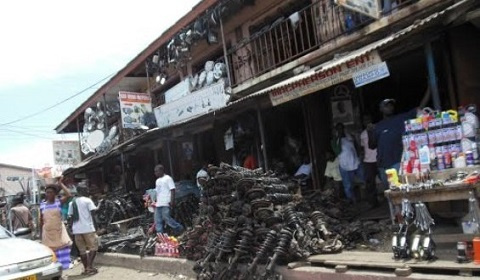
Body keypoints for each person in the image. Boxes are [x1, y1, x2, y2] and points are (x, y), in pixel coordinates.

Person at [368, 86, 430, 189]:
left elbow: (420, 108)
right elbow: (371, 146)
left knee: (401, 190)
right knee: (389, 192)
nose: (389, 107)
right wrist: (370, 132)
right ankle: (392, 206)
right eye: (386, 105)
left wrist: (429, 88)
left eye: (391, 105)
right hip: (383, 165)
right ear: (381, 109)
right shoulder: (377, 126)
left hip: (398, 162)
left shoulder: (401, 118)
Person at [40, 183, 72, 270]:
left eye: (51, 192)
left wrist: (61, 183)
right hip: (47, 233)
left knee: (63, 250)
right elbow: (41, 220)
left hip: (59, 231)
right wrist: (40, 234)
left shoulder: (59, 202)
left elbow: (69, 194)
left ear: (55, 194)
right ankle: (55, 271)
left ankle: (63, 268)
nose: (49, 194)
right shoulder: (42, 204)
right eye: (47, 192)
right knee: (51, 252)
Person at [68, 184, 99, 276]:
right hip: (88, 228)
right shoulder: (87, 200)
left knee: (82, 251)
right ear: (81, 191)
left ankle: (86, 269)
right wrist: (96, 227)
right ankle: (89, 267)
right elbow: (93, 213)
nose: (87, 191)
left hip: (77, 230)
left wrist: (71, 229)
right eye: (86, 189)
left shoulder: (71, 203)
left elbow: (70, 217)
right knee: (94, 247)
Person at [332, 123, 364, 203]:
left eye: (341, 128)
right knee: (348, 185)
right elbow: (337, 151)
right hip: (344, 165)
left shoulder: (349, 137)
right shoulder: (334, 140)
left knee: (364, 179)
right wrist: (338, 138)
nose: (340, 130)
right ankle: (352, 201)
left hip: (355, 162)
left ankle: (369, 197)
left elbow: (356, 147)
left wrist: (359, 155)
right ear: (336, 130)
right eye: (338, 129)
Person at [154, 164, 184, 235]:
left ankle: (179, 228)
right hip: (159, 203)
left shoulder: (168, 178)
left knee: (167, 218)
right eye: (155, 172)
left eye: (156, 171)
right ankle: (160, 235)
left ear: (161, 170)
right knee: (157, 220)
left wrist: (172, 201)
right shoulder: (157, 181)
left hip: (166, 202)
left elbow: (172, 190)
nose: (155, 173)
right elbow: (157, 192)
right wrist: (155, 201)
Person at [361, 115, 379, 208]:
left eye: (368, 119)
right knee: (370, 183)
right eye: (365, 120)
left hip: (379, 159)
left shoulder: (377, 129)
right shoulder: (363, 134)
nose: (367, 122)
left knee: (386, 180)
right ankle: (373, 203)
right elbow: (362, 147)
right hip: (368, 161)